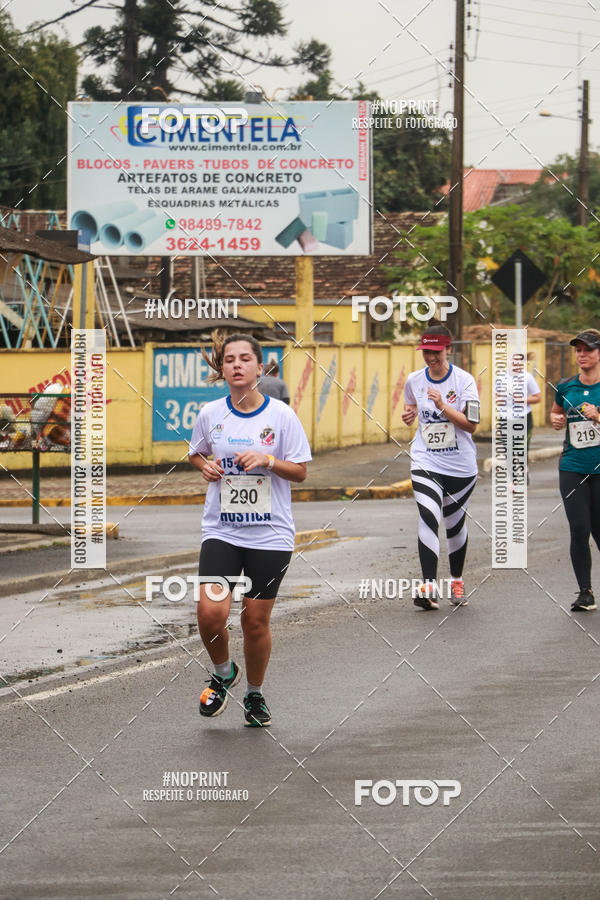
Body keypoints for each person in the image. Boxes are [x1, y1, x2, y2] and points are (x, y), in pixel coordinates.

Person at [188, 332, 311, 726]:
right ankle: (224, 673)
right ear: (221, 368)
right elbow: (196, 453)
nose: (237, 365)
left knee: (254, 620)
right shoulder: (210, 415)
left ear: (260, 367)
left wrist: (268, 461)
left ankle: (255, 695)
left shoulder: (281, 416)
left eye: (245, 359)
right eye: (229, 360)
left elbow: (302, 472)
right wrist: (204, 466)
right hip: (222, 530)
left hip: (271, 534)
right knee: (209, 613)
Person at [402, 324, 480, 610]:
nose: (431, 358)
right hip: (426, 459)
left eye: (436, 352)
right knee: (428, 515)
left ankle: (456, 581)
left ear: (448, 348)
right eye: (426, 352)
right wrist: (409, 415)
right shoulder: (414, 380)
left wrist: (443, 406)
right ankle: (428, 587)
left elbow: (471, 425)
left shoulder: (464, 381)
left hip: (460, 466)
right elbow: (411, 404)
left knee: (454, 525)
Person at [550, 329, 600, 612]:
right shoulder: (566, 385)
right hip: (572, 467)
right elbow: (556, 412)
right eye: (578, 350)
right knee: (579, 529)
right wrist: (556, 420)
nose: (582, 355)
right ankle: (585, 592)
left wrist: (598, 416)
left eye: (588, 350)